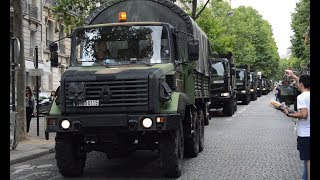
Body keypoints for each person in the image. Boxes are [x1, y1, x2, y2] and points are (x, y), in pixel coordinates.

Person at [282, 70, 310, 180]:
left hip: (305, 134)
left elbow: (304, 114)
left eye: (299, 83)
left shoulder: (301, 97)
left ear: (302, 84)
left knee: (308, 160)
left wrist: (289, 113)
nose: (297, 85)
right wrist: (294, 76)